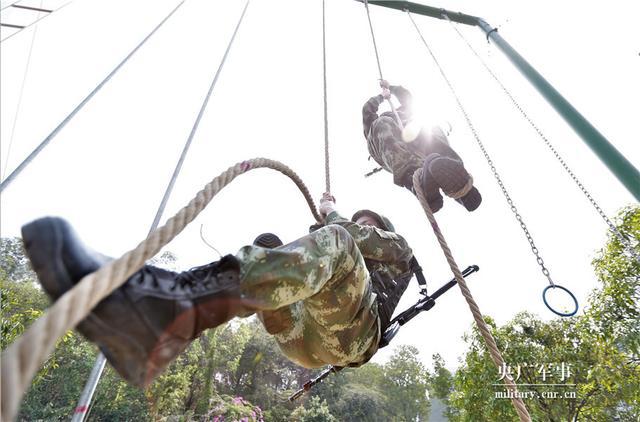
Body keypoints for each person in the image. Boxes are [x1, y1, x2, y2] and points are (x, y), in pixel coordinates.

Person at [21, 193, 415, 388]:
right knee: (271, 245)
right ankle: (164, 316)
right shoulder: (338, 265)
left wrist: (331, 211)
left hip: (352, 336)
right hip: (300, 339)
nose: (360, 223)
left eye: (368, 222)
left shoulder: (396, 248)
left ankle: (173, 305)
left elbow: (350, 235)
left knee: (339, 240)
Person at [362, 80, 482, 213]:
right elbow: (367, 110)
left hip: (415, 144)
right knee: (382, 123)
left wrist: (391, 87)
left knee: (428, 128)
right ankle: (416, 180)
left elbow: (407, 97)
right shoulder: (379, 123)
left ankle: (461, 188)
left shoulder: (405, 114)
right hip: (388, 147)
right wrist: (381, 97)